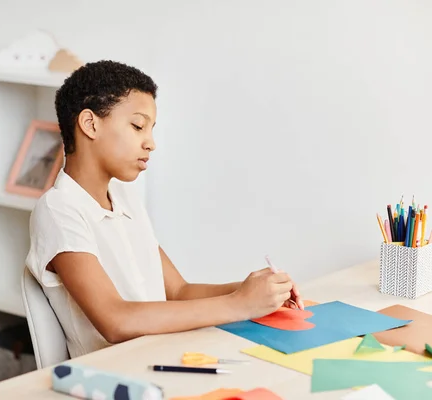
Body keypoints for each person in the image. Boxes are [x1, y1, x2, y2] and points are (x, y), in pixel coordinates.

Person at [25, 60, 303, 359]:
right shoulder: (59, 210)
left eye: (151, 129)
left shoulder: (124, 198)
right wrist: (240, 304)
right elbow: (115, 321)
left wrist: (257, 293)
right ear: (90, 124)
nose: (151, 143)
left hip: (164, 355)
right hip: (118, 373)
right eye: (137, 126)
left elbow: (178, 291)